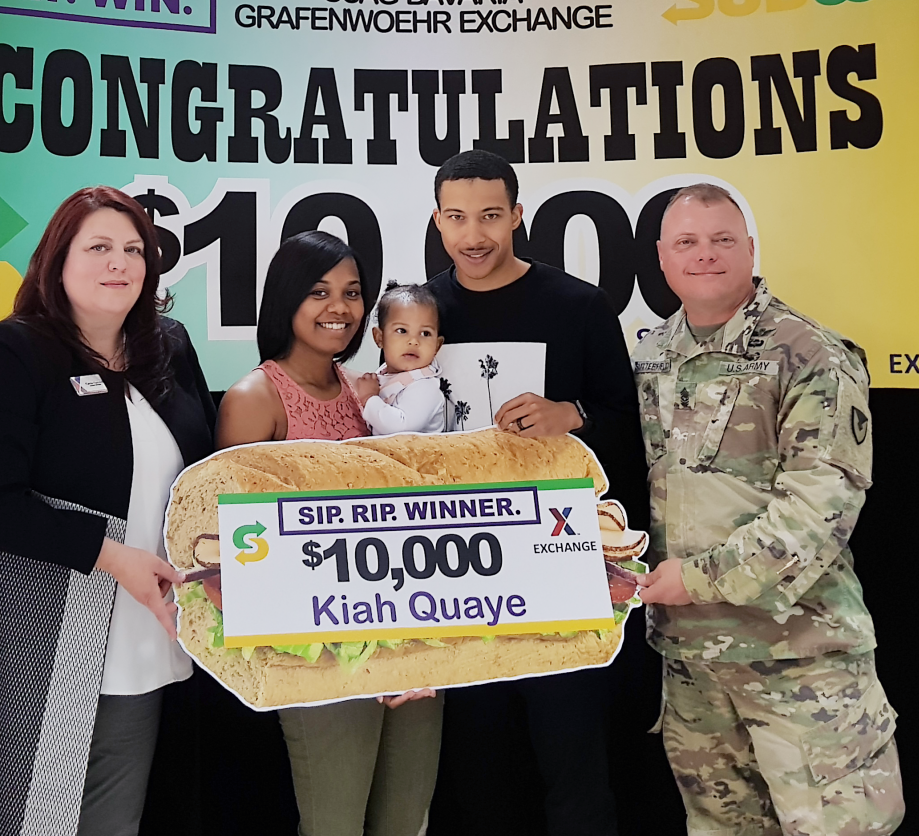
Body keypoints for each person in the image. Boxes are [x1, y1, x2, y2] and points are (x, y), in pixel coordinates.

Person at [0, 186, 217, 836]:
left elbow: (205, 476)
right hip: (44, 641)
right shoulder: (17, 351)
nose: (120, 264)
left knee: (119, 815)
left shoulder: (170, 347)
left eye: (134, 249)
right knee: (27, 815)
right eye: (99, 247)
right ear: (58, 260)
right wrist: (111, 558)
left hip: (153, 637)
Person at [633, 184, 904, 836]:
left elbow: (821, 508)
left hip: (800, 662)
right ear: (662, 260)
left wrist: (694, 580)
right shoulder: (651, 354)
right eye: (687, 243)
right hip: (694, 670)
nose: (705, 255)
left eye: (722, 239)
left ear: (750, 250)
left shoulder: (808, 353)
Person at [422, 149, 649, 836]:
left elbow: (633, 429)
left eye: (491, 215)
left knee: (574, 765)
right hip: (459, 573)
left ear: (518, 215)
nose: (475, 235)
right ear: (437, 222)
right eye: (457, 218)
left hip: (562, 567)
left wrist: (571, 415)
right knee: (477, 770)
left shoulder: (578, 304)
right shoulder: (420, 310)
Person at [217, 231, 440, 836]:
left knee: (404, 821)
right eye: (319, 292)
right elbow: (239, 551)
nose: (339, 307)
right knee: (334, 824)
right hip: (319, 655)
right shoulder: (254, 397)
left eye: (351, 293)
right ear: (286, 298)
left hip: (411, 640)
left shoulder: (372, 391)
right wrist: (354, 651)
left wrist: (411, 648)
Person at [352, 281, 446, 435]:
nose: (414, 341)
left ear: (437, 346)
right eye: (402, 330)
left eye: (425, 333)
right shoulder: (383, 374)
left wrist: (369, 398)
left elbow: (400, 428)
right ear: (379, 338)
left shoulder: (425, 386)